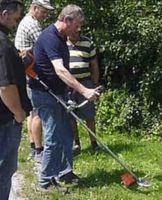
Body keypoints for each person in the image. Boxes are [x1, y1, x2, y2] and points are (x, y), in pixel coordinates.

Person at [29, 4, 100, 190]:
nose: (79, 29)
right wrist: (85, 90)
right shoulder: (50, 38)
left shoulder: (62, 37)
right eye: (76, 25)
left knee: (67, 134)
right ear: (66, 20)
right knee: (53, 137)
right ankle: (45, 181)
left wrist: (71, 91)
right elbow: (60, 69)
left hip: (59, 92)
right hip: (44, 94)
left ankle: (65, 172)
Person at [15, 0, 54, 162]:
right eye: (43, 11)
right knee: (37, 111)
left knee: (32, 111)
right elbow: (45, 45)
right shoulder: (32, 24)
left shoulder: (27, 21)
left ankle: (33, 145)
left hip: (25, 72)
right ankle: (39, 150)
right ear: (35, 8)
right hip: (31, 73)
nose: (45, 15)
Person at [0, 0, 32, 199]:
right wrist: (18, 113)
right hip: (5, 120)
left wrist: (17, 60)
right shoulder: (2, 43)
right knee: (4, 171)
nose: (16, 23)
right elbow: (4, 86)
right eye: (16, 18)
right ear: (4, 14)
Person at [67, 32, 100, 152]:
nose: (76, 34)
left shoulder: (87, 42)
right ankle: (76, 144)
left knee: (89, 114)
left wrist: (95, 84)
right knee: (71, 115)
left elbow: (94, 64)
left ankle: (94, 143)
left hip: (85, 82)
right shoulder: (62, 43)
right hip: (68, 84)